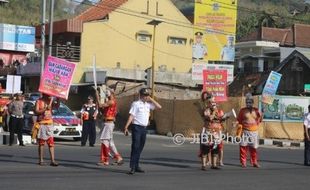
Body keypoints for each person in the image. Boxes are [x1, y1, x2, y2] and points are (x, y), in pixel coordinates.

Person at [124, 88, 162, 175]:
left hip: (144, 129)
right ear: (140, 95)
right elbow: (131, 116)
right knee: (135, 147)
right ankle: (132, 167)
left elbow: (159, 107)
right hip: (136, 127)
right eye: (145, 95)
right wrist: (126, 127)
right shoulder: (136, 104)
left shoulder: (148, 105)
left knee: (140, 147)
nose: (146, 97)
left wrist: (151, 99)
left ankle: (136, 165)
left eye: (147, 95)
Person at [97, 89, 123, 166]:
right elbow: (101, 108)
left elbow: (101, 105)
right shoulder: (109, 101)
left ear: (112, 93)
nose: (106, 92)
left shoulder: (111, 101)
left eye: (107, 91)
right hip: (107, 123)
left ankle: (105, 160)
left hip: (108, 123)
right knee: (110, 143)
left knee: (105, 141)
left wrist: (97, 96)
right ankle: (118, 158)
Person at [237, 93, 262, 168]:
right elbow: (239, 121)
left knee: (253, 148)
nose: (248, 104)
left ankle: (254, 162)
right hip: (245, 131)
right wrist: (238, 132)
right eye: (247, 102)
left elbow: (259, 120)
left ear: (252, 102)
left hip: (254, 132)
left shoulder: (256, 110)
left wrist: (261, 114)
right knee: (243, 147)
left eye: (250, 102)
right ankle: (243, 162)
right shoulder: (242, 111)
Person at [200, 93, 225, 170]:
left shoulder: (219, 111)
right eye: (212, 102)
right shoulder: (206, 110)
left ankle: (214, 164)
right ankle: (203, 165)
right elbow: (210, 118)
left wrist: (224, 117)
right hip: (208, 131)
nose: (214, 104)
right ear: (209, 103)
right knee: (205, 147)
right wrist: (214, 111)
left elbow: (221, 118)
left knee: (216, 148)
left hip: (217, 131)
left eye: (214, 102)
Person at [35, 94, 60, 166]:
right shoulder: (39, 101)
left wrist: (58, 98)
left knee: (51, 143)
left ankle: (53, 160)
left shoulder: (51, 101)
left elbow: (57, 107)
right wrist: (45, 109)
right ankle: (41, 160)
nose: (50, 95)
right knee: (41, 143)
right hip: (42, 124)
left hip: (50, 124)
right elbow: (36, 111)